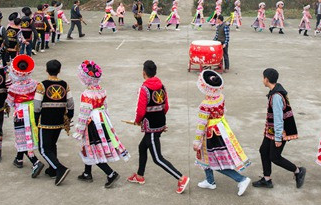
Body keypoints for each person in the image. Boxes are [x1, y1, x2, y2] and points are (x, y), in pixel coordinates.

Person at [127, 60, 190, 193]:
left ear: (144, 73)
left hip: (151, 127)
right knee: (142, 147)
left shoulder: (144, 89)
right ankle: (139, 176)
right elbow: (166, 107)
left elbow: (141, 111)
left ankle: (181, 178)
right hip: (160, 122)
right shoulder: (162, 86)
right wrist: (160, 120)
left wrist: (138, 121)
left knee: (157, 158)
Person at [193, 70, 252, 196]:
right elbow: (223, 111)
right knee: (207, 157)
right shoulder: (220, 97)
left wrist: (197, 140)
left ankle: (241, 179)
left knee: (217, 161)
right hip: (221, 127)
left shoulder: (205, 104)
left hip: (211, 133)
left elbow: (201, 123)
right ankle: (210, 180)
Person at [73, 60, 127, 188]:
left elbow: (84, 113)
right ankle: (87, 173)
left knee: (92, 148)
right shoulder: (102, 90)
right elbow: (105, 107)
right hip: (102, 119)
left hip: (92, 121)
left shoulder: (86, 94)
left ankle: (110, 173)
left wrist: (79, 130)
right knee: (89, 147)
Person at [252, 68, 305, 189]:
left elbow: (278, 118)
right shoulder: (276, 91)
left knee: (275, 157)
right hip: (271, 131)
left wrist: (278, 138)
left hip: (278, 132)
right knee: (263, 150)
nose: (262, 80)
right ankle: (267, 179)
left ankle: (298, 171)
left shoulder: (276, 96)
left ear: (266, 79)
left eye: (262, 77)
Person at [34, 59, 74, 186]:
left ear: (46, 70)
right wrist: (69, 116)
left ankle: (59, 168)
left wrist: (36, 118)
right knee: (52, 144)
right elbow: (70, 102)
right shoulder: (65, 84)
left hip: (45, 120)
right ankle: (52, 170)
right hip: (59, 120)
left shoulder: (42, 85)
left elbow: (37, 105)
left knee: (43, 148)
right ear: (59, 70)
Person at [6, 54, 44, 177]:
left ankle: (35, 161)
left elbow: (10, 102)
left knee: (23, 135)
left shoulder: (13, 87)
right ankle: (19, 158)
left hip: (21, 112)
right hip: (33, 110)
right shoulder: (34, 83)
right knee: (26, 135)